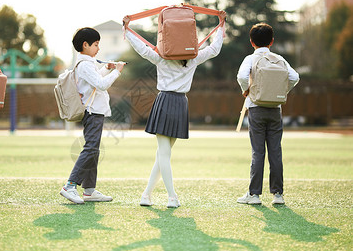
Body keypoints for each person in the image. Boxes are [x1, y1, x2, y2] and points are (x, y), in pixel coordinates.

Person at [123, 11, 227, 208]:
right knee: (163, 154)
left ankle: (149, 195)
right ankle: (168, 196)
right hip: (179, 103)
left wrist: (126, 29)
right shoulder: (193, 58)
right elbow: (214, 49)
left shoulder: (163, 58)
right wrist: (221, 26)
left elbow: (142, 49)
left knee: (162, 154)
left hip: (165, 101)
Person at [236, 23, 299, 205]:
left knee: (258, 152)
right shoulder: (279, 58)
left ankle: (254, 195)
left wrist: (246, 90)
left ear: (251, 42)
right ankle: (278, 195)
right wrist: (280, 91)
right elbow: (294, 77)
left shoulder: (250, 58)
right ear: (272, 41)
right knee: (275, 152)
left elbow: (241, 76)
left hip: (256, 108)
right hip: (275, 109)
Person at [60, 27, 125, 204]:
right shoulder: (85, 64)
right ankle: (70, 186)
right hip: (92, 112)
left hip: (95, 111)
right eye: (96, 44)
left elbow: (94, 82)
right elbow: (102, 85)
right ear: (85, 45)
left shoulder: (88, 64)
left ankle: (89, 190)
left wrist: (106, 68)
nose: (98, 48)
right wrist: (117, 71)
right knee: (90, 149)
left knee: (94, 150)